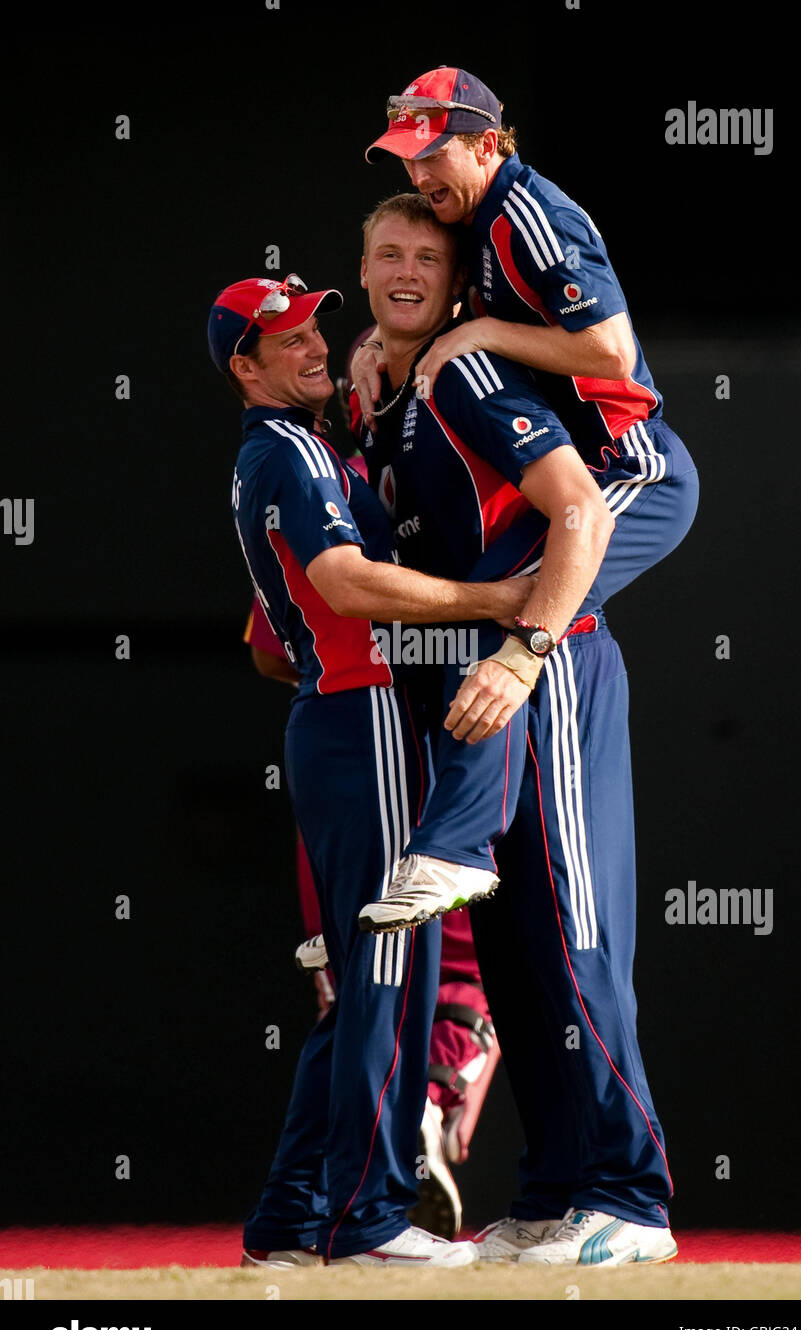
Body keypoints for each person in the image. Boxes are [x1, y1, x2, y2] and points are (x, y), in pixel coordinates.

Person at [351, 194, 686, 1265]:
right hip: (485, 692)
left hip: (552, 670)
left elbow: (586, 505)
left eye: (426, 257)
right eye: (385, 254)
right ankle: (554, 1189)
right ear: (359, 272)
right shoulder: (388, 392)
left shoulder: (471, 374)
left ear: (462, 288)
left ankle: (629, 1196)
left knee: (578, 937)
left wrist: (519, 651)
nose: (405, 271)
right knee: (518, 948)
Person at [208, 273, 533, 1266]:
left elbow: (271, 640)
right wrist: (495, 601)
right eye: (286, 336)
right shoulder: (294, 450)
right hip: (360, 718)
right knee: (393, 974)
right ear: (243, 365)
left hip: (336, 717)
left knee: (360, 987)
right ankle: (372, 1219)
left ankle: (289, 1223)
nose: (312, 343)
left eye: (315, 326)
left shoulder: (290, 450)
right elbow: (343, 580)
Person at [243, 593, 500, 1240]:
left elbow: (270, 654)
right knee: (432, 984)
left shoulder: (319, 491)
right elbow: (342, 582)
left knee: (355, 1001)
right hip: (414, 755)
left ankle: (295, 1218)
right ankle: (390, 1180)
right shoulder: (366, 498)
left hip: (336, 745)